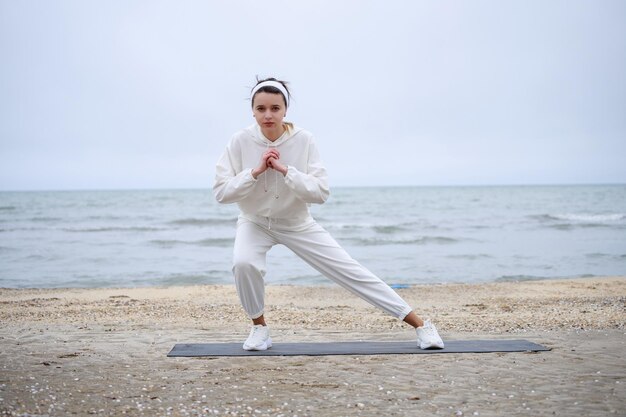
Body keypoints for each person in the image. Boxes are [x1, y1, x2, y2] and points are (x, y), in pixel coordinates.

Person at [213, 77, 444, 351]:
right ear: (252, 111)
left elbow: (320, 193)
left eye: (275, 108)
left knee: (349, 270)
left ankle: (421, 326)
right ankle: (259, 328)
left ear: (285, 110)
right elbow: (221, 193)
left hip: (297, 223)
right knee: (243, 263)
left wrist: (287, 171)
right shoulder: (239, 141)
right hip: (254, 222)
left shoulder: (304, 140)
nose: (268, 115)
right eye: (261, 108)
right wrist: (256, 172)